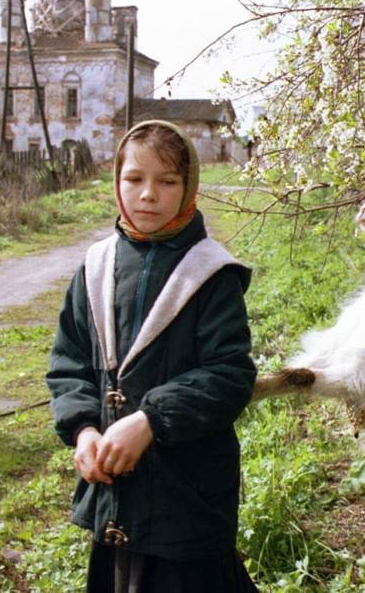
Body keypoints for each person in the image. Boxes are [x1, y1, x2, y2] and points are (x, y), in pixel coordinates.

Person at [46, 120, 259, 592]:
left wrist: (148, 420)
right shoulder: (96, 267)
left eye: (167, 182)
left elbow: (229, 375)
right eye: (134, 179)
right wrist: (83, 429)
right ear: (116, 180)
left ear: (189, 189)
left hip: (185, 492)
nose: (148, 195)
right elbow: (69, 363)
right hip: (115, 488)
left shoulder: (210, 273)